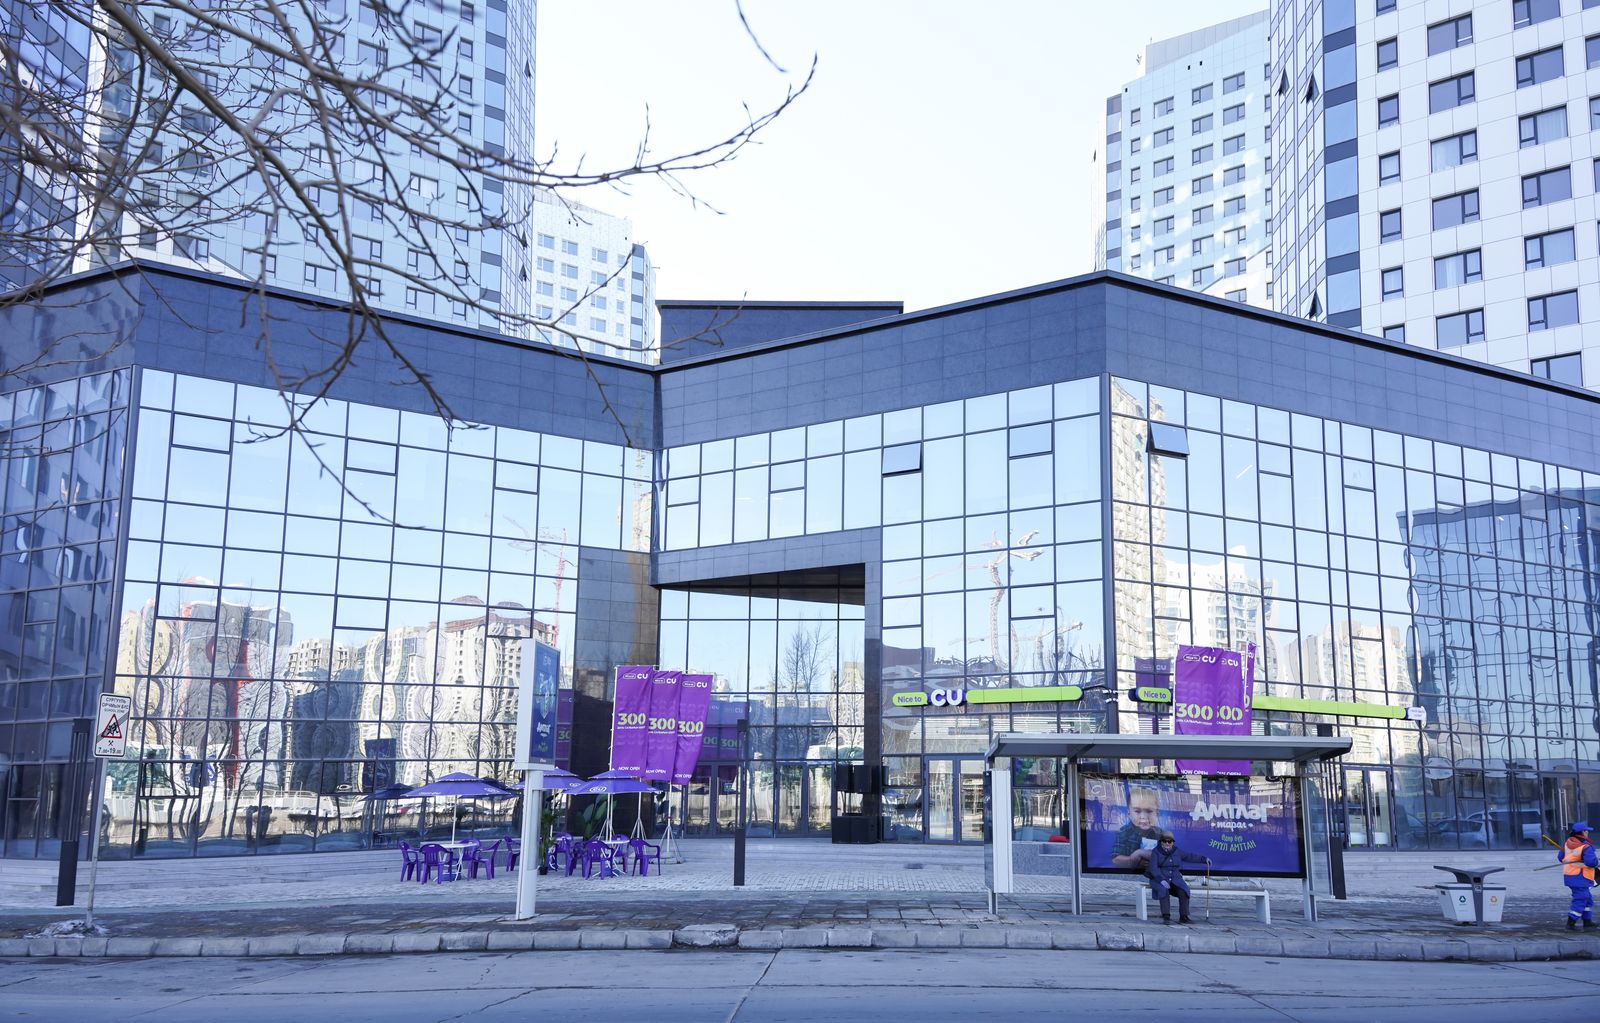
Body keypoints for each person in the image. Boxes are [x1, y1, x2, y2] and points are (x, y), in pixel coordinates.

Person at [1146, 831, 1211, 924]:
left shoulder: (1177, 851)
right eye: (1164, 841)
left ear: (1173, 842)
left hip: (1175, 879)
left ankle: (1184, 916)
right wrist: (1161, 880)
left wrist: (1203, 859)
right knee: (1164, 890)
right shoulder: (1155, 852)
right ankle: (1166, 916)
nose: (1167, 843)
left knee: (1184, 891)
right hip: (1159, 879)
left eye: (1169, 841)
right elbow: (1153, 869)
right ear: (1161, 842)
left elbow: (1189, 856)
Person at [1110, 785, 1163, 869]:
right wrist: (1134, 858)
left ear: (1157, 813)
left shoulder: (1160, 833)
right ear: (1129, 814)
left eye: (1149, 811)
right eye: (1137, 811)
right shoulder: (1124, 832)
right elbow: (1115, 859)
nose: (1143, 817)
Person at [1560, 820, 1598, 930]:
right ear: (1582, 832)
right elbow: (1591, 862)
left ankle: (1587, 921)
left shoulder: (1567, 844)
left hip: (1570, 876)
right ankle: (1570, 923)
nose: (1587, 832)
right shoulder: (1585, 847)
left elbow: (1560, 858)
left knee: (1587, 898)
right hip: (1581, 877)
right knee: (1581, 898)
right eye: (1586, 831)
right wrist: (1596, 862)